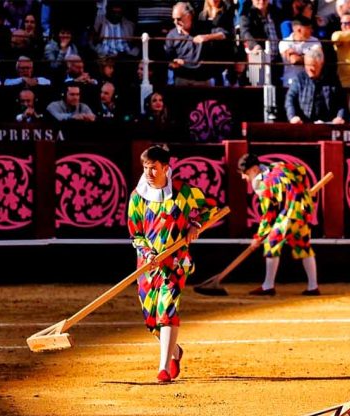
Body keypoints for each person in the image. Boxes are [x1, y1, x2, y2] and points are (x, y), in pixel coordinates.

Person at [127, 145, 219, 383]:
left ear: (166, 168)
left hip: (176, 263)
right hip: (146, 267)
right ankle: (175, 351)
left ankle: (163, 367)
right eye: (146, 168)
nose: (149, 173)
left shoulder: (183, 192)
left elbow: (213, 206)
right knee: (151, 320)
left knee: (167, 310)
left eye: (154, 168)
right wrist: (147, 253)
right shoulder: (137, 197)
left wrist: (196, 225)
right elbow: (135, 234)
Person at [237, 153, 320, 297]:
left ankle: (268, 286)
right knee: (302, 245)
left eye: (245, 173)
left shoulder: (262, 183)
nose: (243, 177)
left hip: (292, 212)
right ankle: (313, 287)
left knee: (271, 241)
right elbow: (301, 170)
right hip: (303, 209)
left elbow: (269, 213)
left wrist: (259, 236)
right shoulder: (278, 165)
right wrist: (300, 191)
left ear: (254, 170)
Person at [284, 48, 346, 123]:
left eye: (313, 65)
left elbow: (341, 102)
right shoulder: (299, 79)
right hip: (304, 123)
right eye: (307, 65)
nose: (310, 69)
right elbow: (290, 99)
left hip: (328, 123)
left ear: (321, 64)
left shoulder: (332, 79)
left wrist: (340, 117)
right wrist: (292, 116)